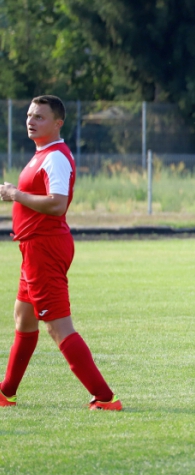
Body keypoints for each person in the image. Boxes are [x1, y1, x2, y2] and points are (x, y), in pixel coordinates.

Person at [0, 95, 121, 410]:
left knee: (57, 326)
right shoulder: (41, 154)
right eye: (29, 115)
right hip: (33, 249)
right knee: (24, 318)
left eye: (39, 116)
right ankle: (6, 392)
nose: (31, 120)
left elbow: (57, 204)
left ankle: (105, 398)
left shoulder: (54, 156)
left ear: (58, 122)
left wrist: (15, 193)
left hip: (45, 248)